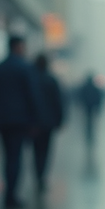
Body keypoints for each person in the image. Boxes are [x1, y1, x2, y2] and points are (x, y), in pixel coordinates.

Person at [0, 35, 43, 209]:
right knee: (16, 157)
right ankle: (11, 197)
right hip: (20, 121)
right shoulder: (25, 68)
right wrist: (35, 120)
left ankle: (8, 193)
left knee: (7, 156)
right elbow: (32, 96)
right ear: (18, 47)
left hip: (2, 120)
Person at [31, 54, 64, 194]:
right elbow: (58, 102)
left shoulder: (31, 79)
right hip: (49, 122)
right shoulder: (51, 80)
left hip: (33, 122)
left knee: (35, 150)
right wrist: (60, 120)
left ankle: (37, 174)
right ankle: (42, 176)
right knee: (46, 150)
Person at [77, 73, 104, 147]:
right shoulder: (95, 88)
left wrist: (80, 105)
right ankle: (91, 134)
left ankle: (88, 133)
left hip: (86, 107)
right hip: (92, 107)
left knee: (87, 121)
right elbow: (98, 99)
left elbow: (81, 96)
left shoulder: (84, 87)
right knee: (92, 121)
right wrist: (98, 109)